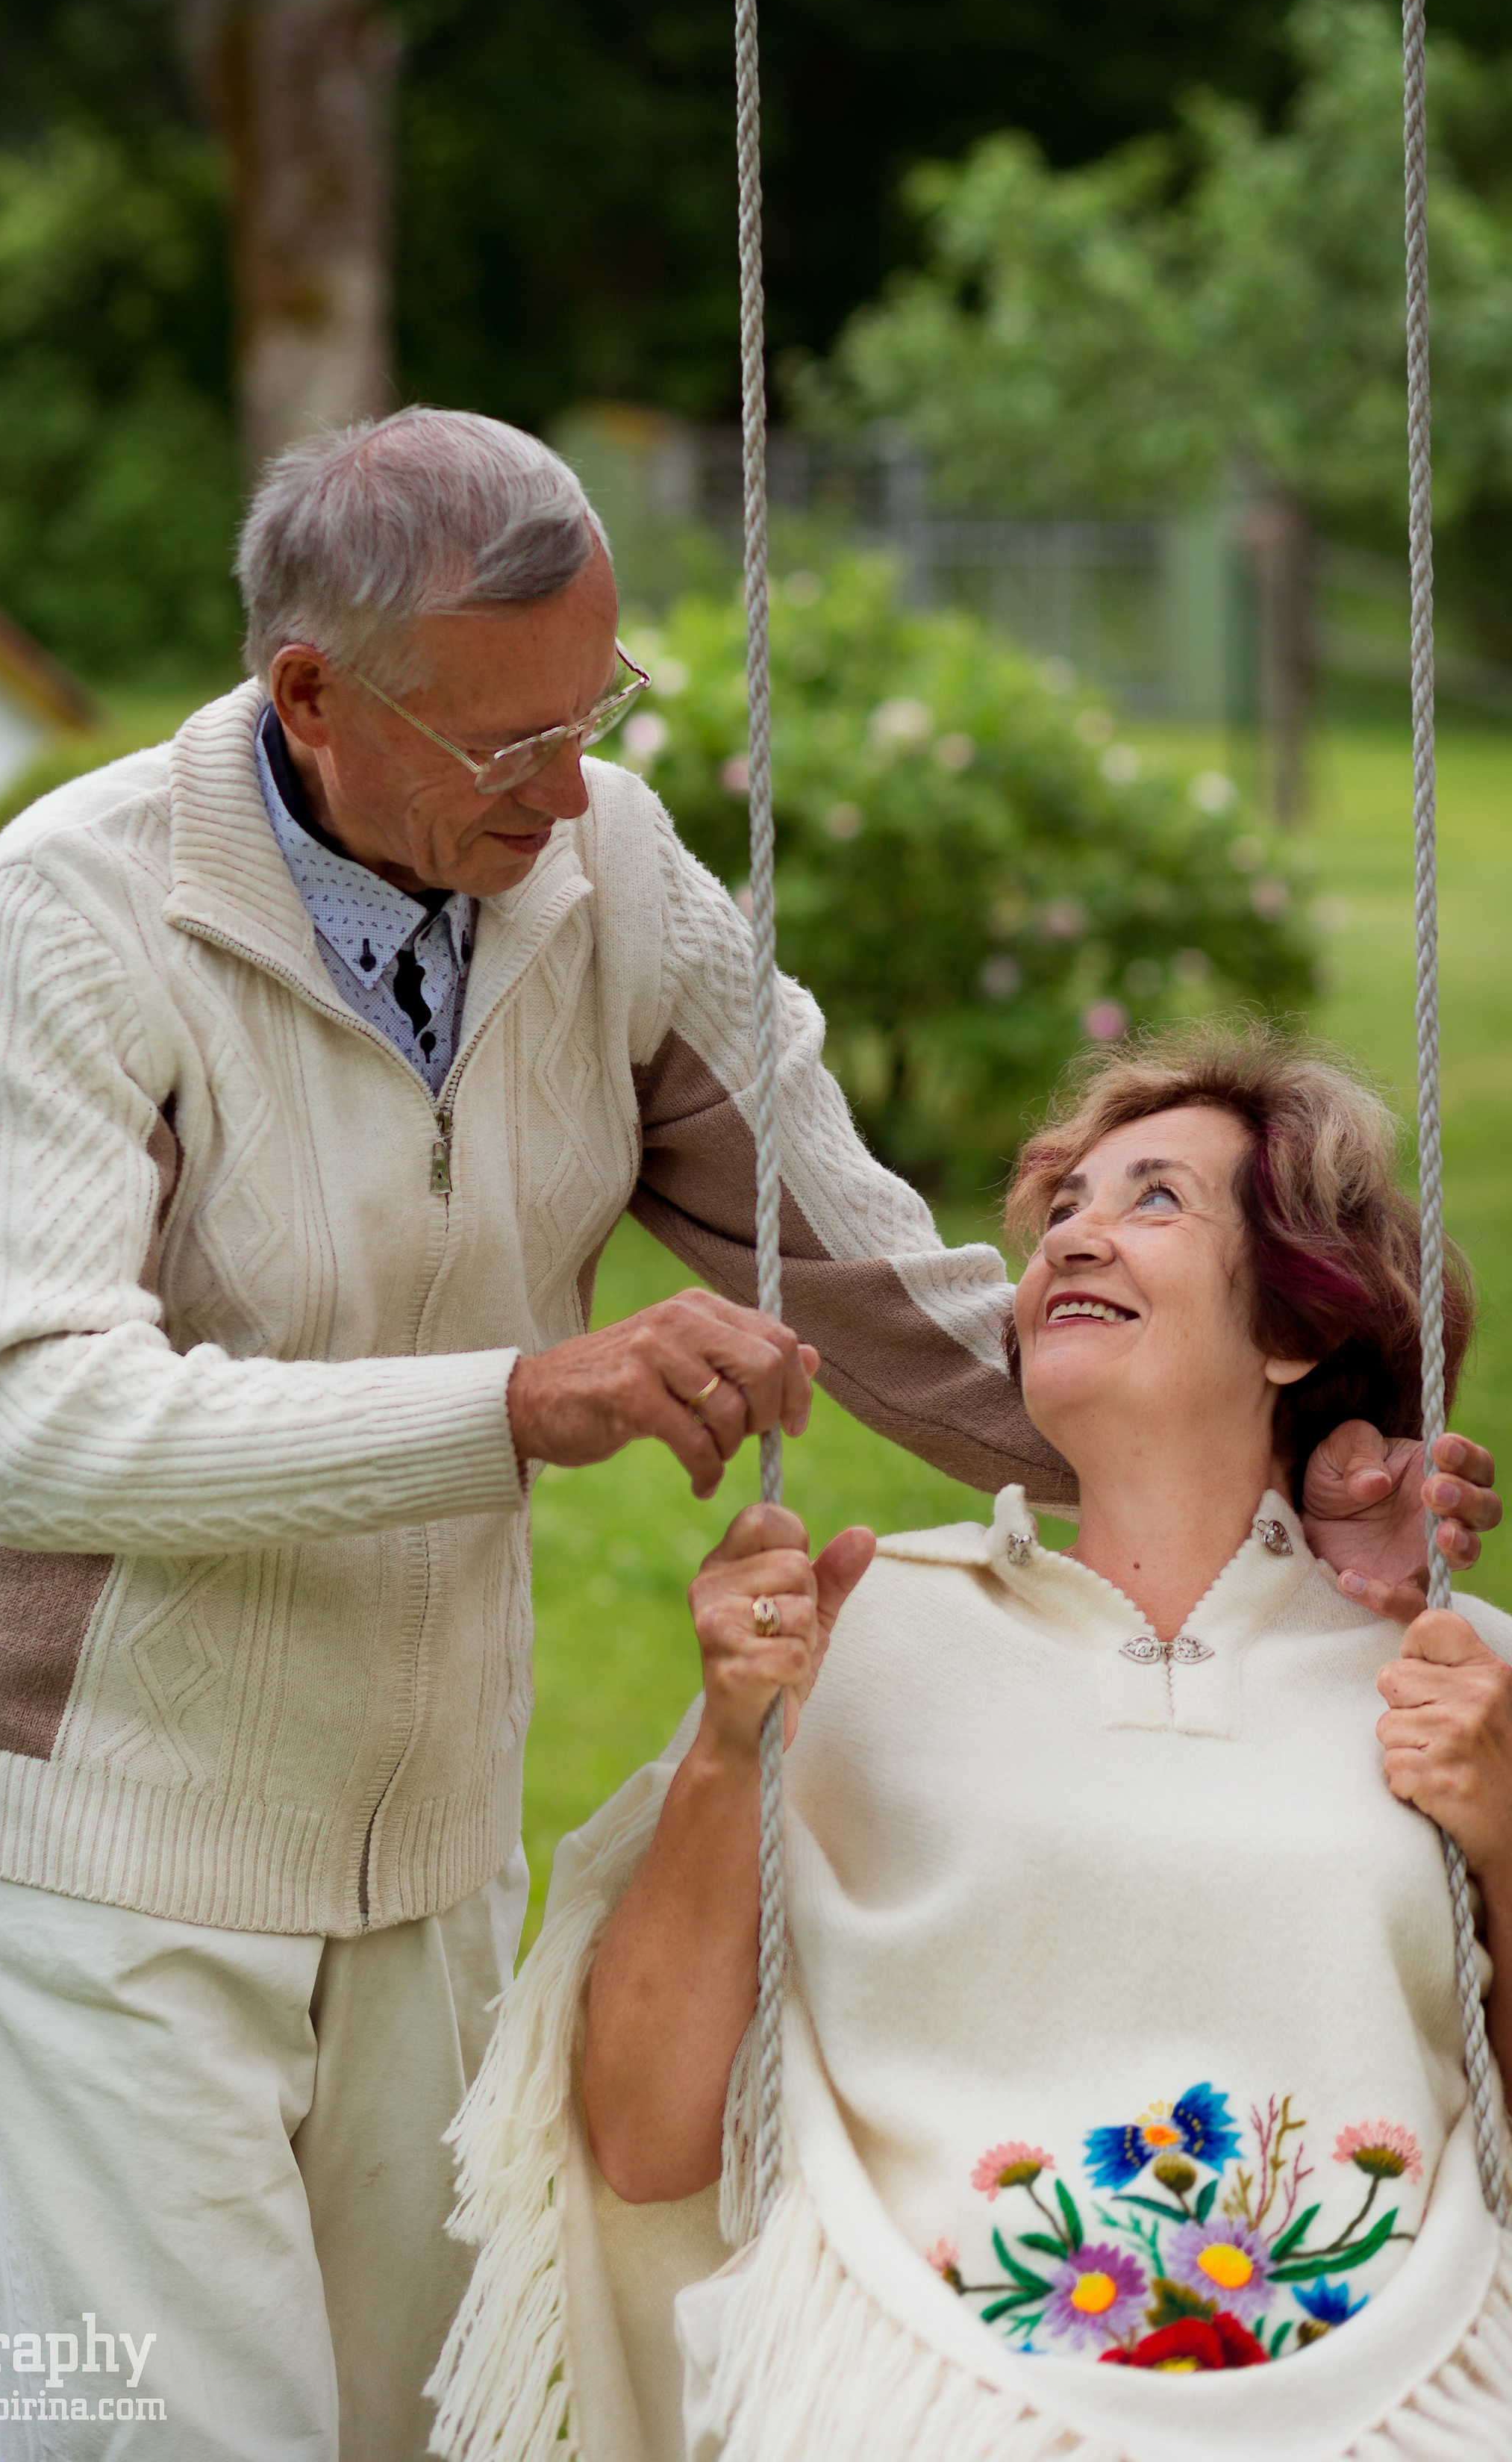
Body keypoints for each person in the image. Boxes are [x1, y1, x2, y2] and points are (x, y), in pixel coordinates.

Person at [0, 409, 1493, 2462]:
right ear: (311, 695)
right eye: (507, 747)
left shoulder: (611, 871)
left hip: (423, 1819)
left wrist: (1302, 1476)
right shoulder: (83, 905)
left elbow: (871, 1284)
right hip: (105, 1830)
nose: (572, 790)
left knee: (418, 2428)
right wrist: (517, 1401)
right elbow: (38, 1423)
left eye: (600, 710)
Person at [432, 1026, 1512, 2462]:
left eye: (1154, 1202)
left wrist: (1505, 1834)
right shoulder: (863, 1635)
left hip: (1393, 2400)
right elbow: (642, 2140)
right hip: (920, 2393)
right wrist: (728, 1759)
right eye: (1063, 1208)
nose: (1074, 1236)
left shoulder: (1451, 1672)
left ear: (1295, 1328)